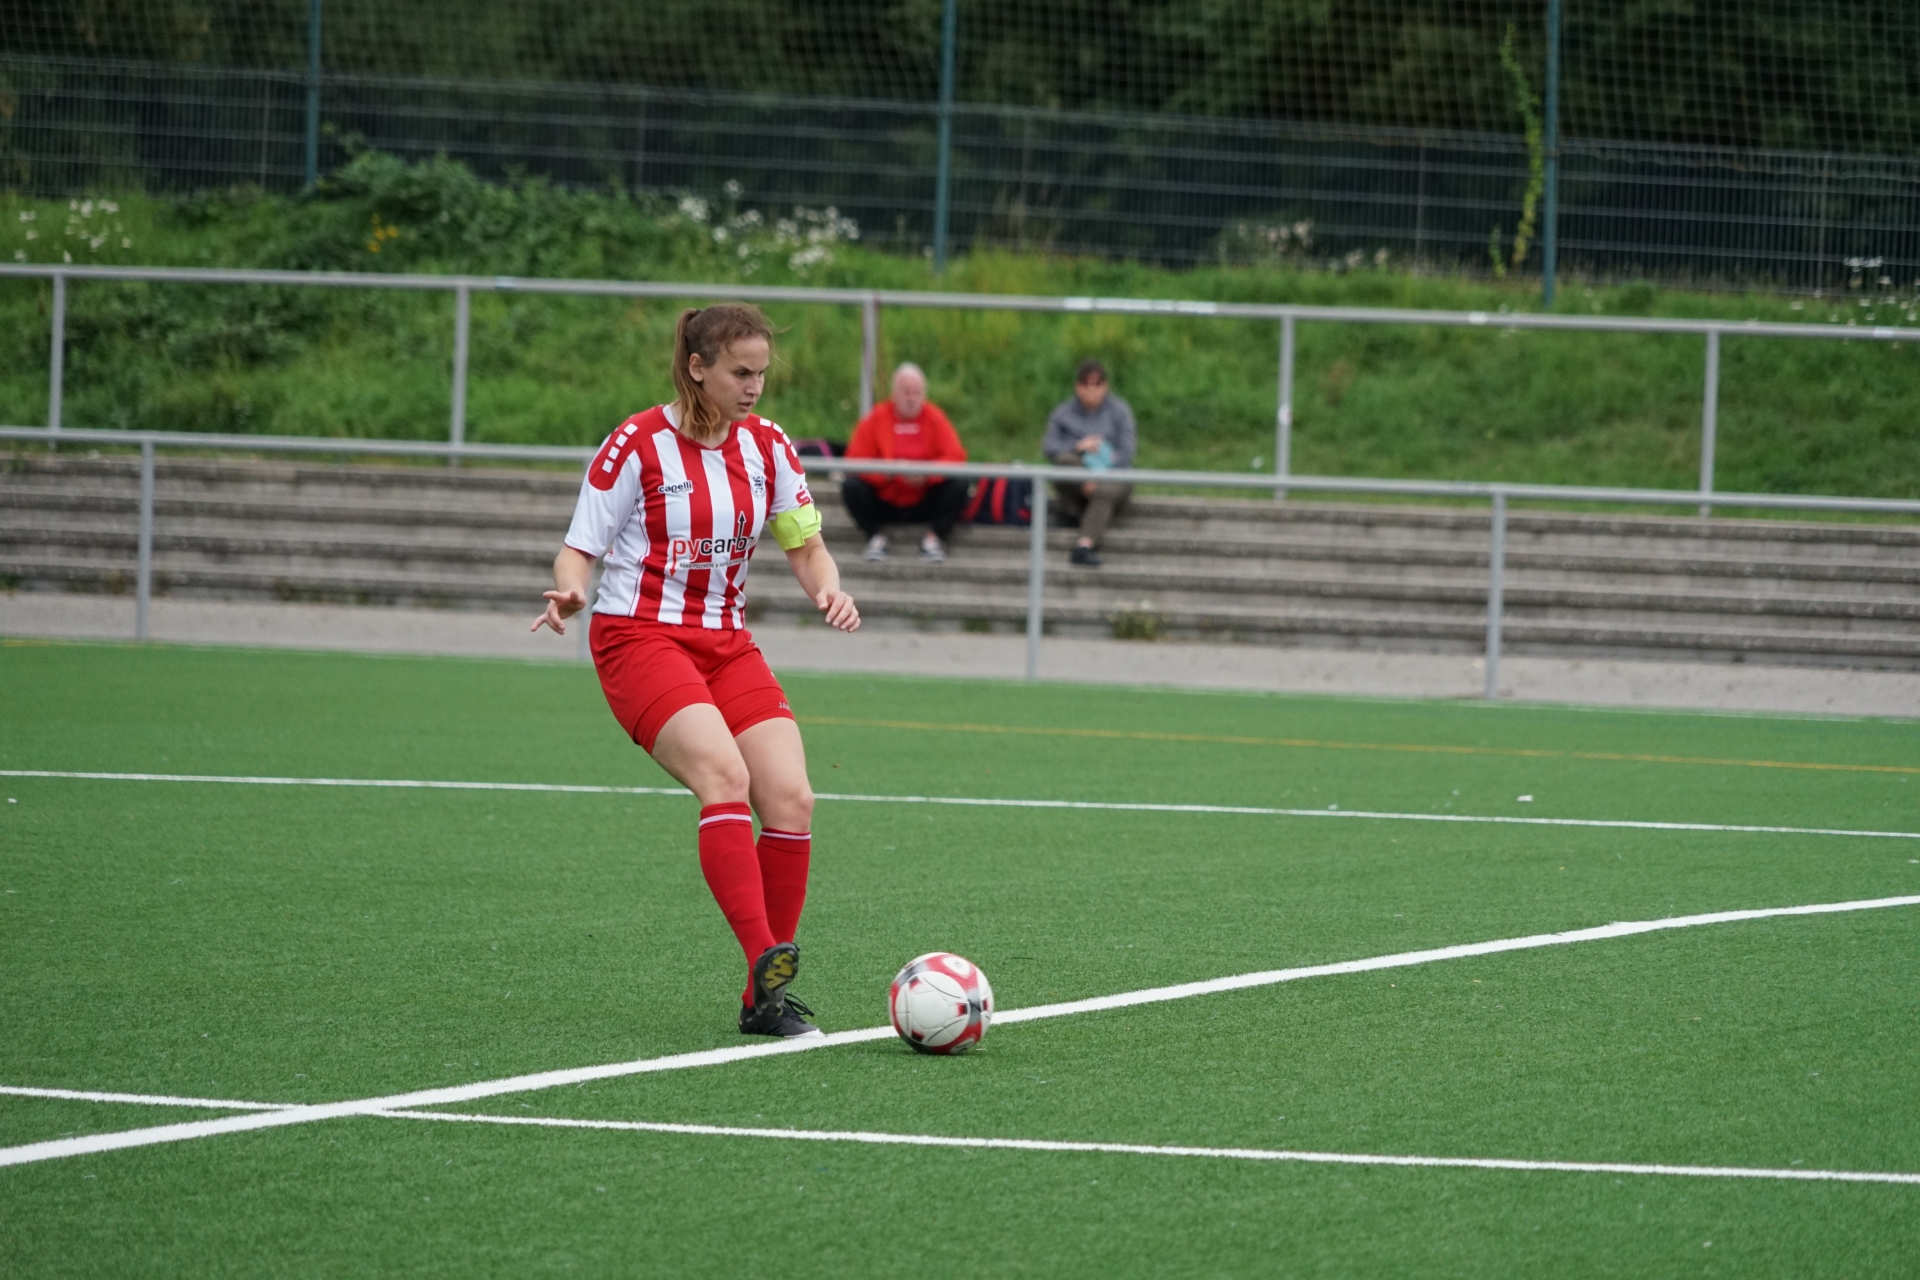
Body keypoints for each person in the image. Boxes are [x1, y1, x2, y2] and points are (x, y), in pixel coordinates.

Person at [532, 303, 859, 1040]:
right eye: (741, 373)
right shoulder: (636, 444)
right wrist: (572, 591)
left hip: (726, 643)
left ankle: (763, 1001)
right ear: (697, 366)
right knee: (725, 778)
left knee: (792, 798)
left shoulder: (769, 446)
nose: (754, 387)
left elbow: (806, 545)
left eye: (762, 374)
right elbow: (578, 551)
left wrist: (829, 589)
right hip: (639, 638)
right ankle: (766, 960)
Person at [841, 362, 969, 563]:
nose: (912, 398)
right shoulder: (876, 418)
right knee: (851, 487)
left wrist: (927, 474)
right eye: (906, 392)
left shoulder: (935, 418)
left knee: (959, 484)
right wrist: (885, 473)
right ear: (895, 393)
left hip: (924, 499)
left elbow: (955, 457)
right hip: (885, 499)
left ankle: (934, 538)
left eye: (917, 393)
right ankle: (875, 538)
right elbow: (854, 460)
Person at [1041, 359, 1136, 567]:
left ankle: (1084, 545)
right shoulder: (1062, 413)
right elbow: (1049, 447)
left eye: (1097, 383)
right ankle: (1073, 511)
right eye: (1086, 383)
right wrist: (1078, 446)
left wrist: (1100, 477)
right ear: (1077, 386)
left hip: (1111, 475)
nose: (1091, 389)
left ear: (1105, 386)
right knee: (1065, 461)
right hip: (1077, 478)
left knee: (1105, 492)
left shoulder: (1120, 412)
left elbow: (1127, 451)